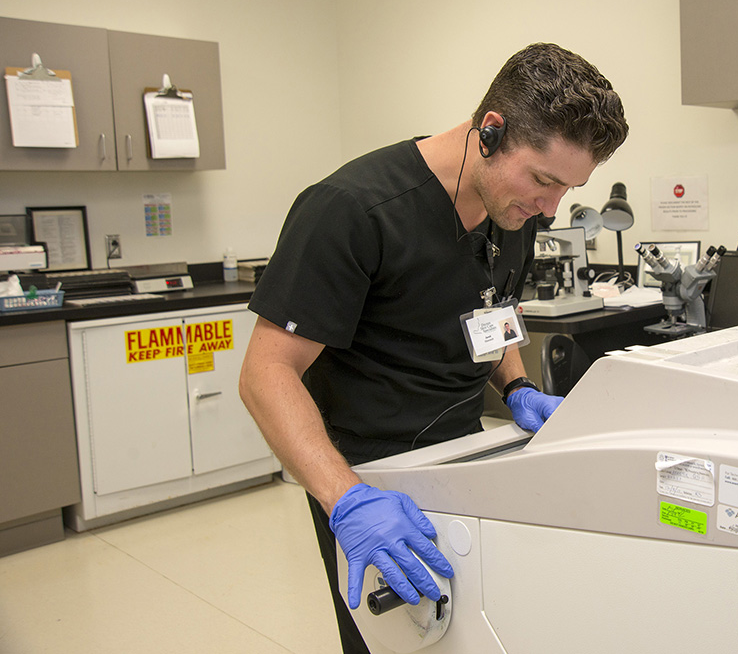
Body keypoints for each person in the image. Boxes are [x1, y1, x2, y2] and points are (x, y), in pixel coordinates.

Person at [239, 42, 627, 654]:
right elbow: (266, 374)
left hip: (465, 455)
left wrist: (519, 387)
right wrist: (347, 499)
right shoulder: (354, 210)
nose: (549, 207)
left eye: (568, 188)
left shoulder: (512, 212)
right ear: (490, 132)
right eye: (544, 180)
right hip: (365, 479)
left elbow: (494, 310)